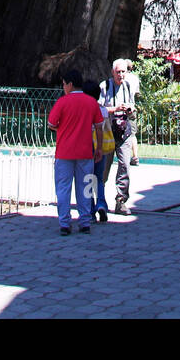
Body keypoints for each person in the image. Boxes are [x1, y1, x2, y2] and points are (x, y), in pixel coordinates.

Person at [48, 69, 103, 235]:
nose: (63, 87)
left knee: (63, 188)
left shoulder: (62, 102)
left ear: (70, 84)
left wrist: (62, 128)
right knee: (85, 186)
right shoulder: (91, 102)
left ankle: (65, 223)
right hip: (85, 152)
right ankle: (85, 221)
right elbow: (99, 127)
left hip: (64, 153)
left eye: (64, 84)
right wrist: (99, 148)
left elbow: (51, 124)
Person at [99, 58, 140, 214]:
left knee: (124, 166)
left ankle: (121, 201)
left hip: (124, 132)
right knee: (103, 168)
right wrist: (115, 108)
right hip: (108, 131)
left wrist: (130, 108)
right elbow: (99, 108)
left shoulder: (128, 86)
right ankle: (99, 200)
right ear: (112, 72)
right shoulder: (105, 86)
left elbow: (132, 104)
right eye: (118, 72)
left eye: (123, 72)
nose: (121, 75)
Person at [84, 84, 116, 222]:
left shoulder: (86, 110)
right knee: (100, 179)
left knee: (87, 180)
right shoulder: (103, 110)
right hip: (101, 147)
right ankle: (102, 204)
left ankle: (90, 211)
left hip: (88, 147)